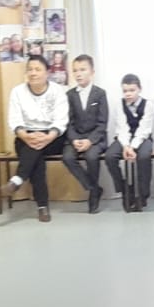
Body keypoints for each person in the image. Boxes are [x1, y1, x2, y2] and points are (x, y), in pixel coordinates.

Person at [7, 54, 69, 223]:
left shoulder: (58, 91)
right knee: (36, 158)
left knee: (34, 151)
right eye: (30, 69)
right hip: (26, 136)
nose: (33, 73)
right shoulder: (17, 92)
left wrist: (47, 137)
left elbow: (61, 120)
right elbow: (14, 121)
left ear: (47, 72)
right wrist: (26, 136)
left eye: (37, 69)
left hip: (53, 137)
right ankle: (43, 207)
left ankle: (18, 179)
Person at [61, 55, 108, 214]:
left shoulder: (100, 94)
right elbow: (68, 122)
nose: (78, 74)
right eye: (75, 70)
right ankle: (93, 188)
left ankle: (93, 197)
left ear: (92, 72)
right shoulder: (69, 95)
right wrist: (74, 139)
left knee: (92, 156)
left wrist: (90, 141)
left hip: (95, 138)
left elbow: (102, 123)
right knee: (67, 157)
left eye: (82, 69)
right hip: (75, 137)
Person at [105, 74, 154, 210]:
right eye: (125, 91)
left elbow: (144, 129)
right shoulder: (119, 105)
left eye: (132, 90)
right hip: (124, 138)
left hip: (143, 138)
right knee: (110, 156)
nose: (128, 94)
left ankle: (143, 195)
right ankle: (125, 190)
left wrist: (133, 147)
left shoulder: (148, 105)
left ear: (139, 89)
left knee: (144, 157)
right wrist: (126, 146)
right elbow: (122, 127)